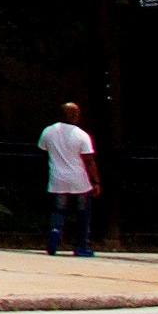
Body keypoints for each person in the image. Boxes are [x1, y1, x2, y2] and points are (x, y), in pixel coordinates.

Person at [35, 105, 100, 258]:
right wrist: (96, 181)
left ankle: (56, 231)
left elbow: (42, 149)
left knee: (58, 210)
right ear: (76, 116)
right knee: (83, 213)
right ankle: (81, 246)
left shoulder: (48, 131)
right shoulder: (82, 135)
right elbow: (89, 160)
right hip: (79, 181)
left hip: (57, 178)